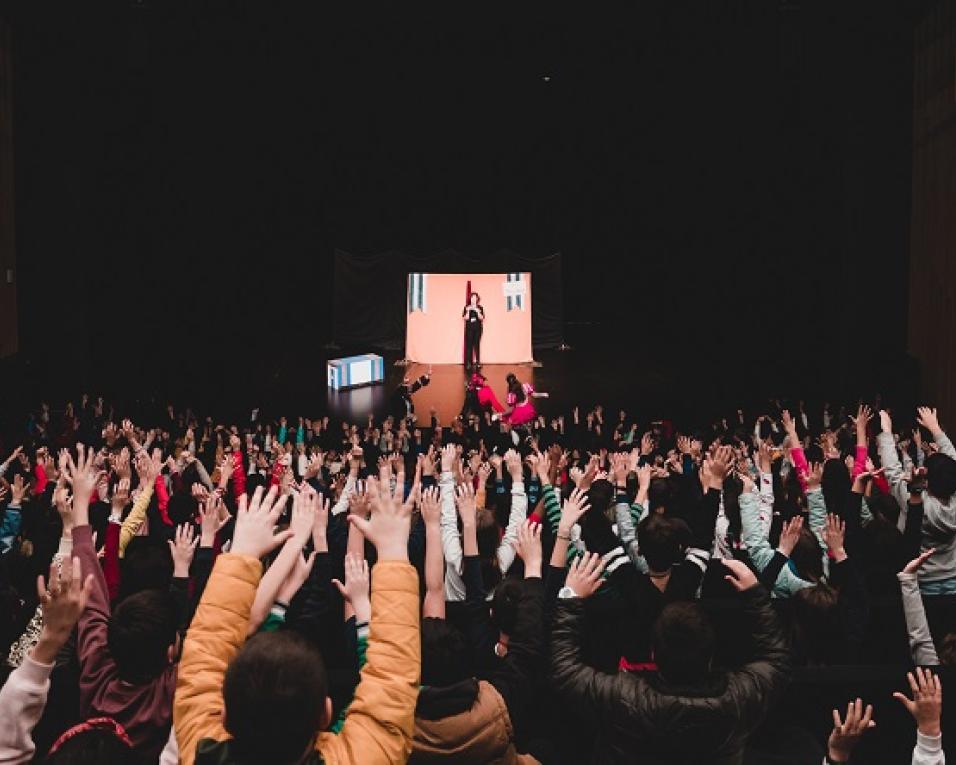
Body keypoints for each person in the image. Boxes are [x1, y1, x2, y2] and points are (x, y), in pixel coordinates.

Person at [462, 293, 485, 371]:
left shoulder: (480, 307)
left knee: (477, 345)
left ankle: (478, 362)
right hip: (469, 330)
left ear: (477, 299)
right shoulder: (466, 307)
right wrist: (468, 311)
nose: (473, 299)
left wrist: (477, 311)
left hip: (478, 329)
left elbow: (481, 318)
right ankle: (468, 363)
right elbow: (465, 318)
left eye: (475, 298)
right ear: (470, 299)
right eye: (472, 298)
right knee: (469, 346)